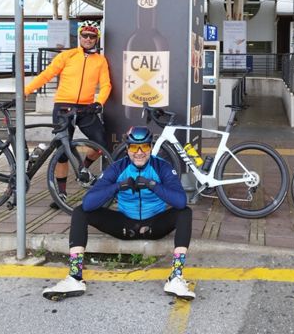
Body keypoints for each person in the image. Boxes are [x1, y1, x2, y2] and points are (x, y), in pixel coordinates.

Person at [42, 126, 195, 301]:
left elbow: (180, 201)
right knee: (80, 212)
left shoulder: (162, 167)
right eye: (134, 147)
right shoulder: (117, 168)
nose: (139, 152)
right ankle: (75, 277)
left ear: (151, 147)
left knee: (185, 213)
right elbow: (89, 203)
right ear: (127, 148)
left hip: (155, 225)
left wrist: (152, 185)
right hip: (124, 226)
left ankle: (176, 277)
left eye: (144, 147)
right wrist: (118, 186)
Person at [24, 20, 112, 208]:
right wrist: (26, 90)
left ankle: (83, 170)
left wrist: (99, 102)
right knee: (62, 152)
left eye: (92, 36)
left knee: (101, 144)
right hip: (64, 107)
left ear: (96, 38)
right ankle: (61, 194)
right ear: (80, 36)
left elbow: (106, 85)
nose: (88, 39)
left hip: (86, 108)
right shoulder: (67, 55)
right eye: (85, 35)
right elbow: (47, 74)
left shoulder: (100, 60)